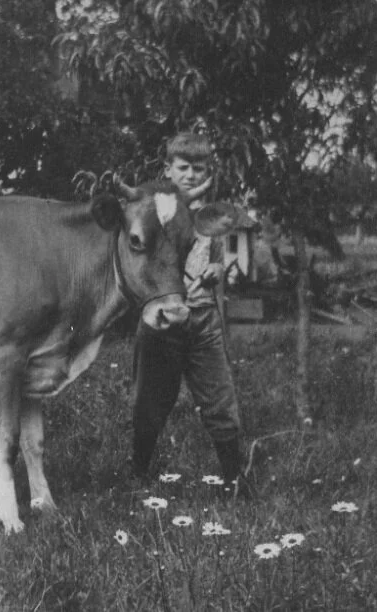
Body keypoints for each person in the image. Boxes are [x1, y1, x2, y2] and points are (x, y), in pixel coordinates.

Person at [131, 132, 247, 496]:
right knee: (150, 401)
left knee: (220, 399)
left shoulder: (211, 214)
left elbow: (217, 259)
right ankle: (137, 475)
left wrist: (216, 270)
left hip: (203, 319)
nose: (192, 175)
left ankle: (234, 481)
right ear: (168, 169)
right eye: (184, 167)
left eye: (199, 168)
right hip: (163, 320)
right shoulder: (156, 210)